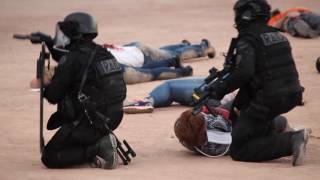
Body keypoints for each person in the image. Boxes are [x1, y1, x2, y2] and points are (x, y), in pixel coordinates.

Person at [202, 0, 308, 166]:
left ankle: (291, 140)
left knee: (239, 149)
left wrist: (218, 91)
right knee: (246, 119)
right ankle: (275, 132)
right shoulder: (278, 36)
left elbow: (243, 73)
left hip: (269, 99)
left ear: (245, 15)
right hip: (292, 94)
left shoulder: (248, 39)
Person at [35, 12, 127, 169]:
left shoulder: (73, 59)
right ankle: (99, 140)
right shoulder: (101, 52)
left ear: (73, 33)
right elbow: (72, 61)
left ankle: (98, 147)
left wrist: (42, 82)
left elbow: (53, 95)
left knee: (50, 156)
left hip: (91, 122)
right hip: (113, 116)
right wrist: (49, 42)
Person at [30, 33, 215, 84]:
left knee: (169, 56)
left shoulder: (97, 66)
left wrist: (183, 72)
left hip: (138, 55)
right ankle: (186, 45)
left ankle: (202, 48)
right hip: (132, 48)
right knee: (165, 52)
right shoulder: (84, 55)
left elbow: (152, 74)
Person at [123, 77, 236, 113]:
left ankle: (146, 102)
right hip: (226, 93)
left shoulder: (247, 43)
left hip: (222, 94)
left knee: (169, 86)